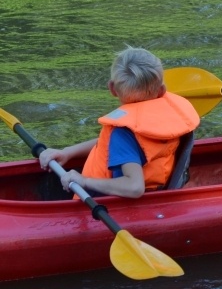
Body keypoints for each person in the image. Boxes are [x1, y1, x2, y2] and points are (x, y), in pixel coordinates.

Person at [39, 47, 200, 198]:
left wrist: (83, 180)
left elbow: (135, 187)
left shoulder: (123, 133)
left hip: (106, 206)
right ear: (161, 90)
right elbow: (114, 145)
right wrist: (67, 152)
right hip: (157, 193)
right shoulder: (166, 119)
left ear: (112, 89)